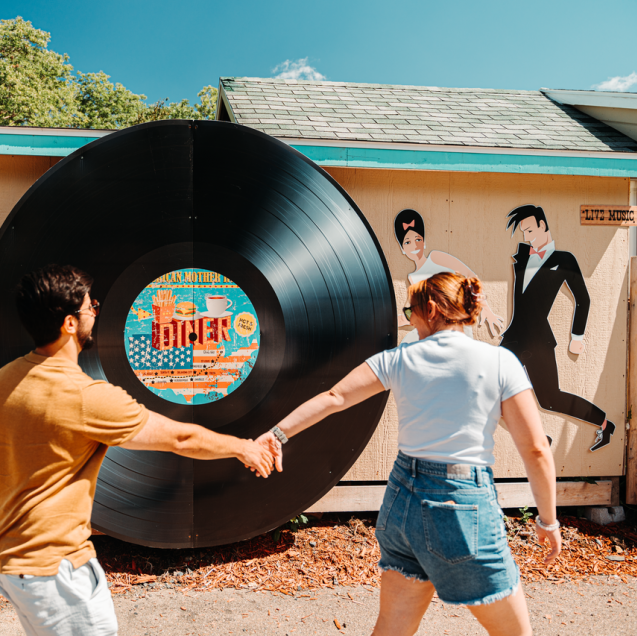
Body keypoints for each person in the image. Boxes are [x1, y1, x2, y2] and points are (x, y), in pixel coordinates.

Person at [256, 272, 561, 636]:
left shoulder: (399, 359)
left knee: (392, 628)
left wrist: (276, 434)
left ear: (429, 309)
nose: (408, 320)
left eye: (409, 311)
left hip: (402, 503)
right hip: (460, 505)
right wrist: (548, 521)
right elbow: (535, 449)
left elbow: (334, 398)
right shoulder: (499, 362)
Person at [0, 264, 276, 636]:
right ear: (69, 323)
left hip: (5, 560)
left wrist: (20, 529)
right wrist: (244, 448)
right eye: (90, 307)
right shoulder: (86, 397)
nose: (95, 313)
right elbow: (180, 439)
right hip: (55, 568)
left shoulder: (0, 383)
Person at [502, 204, 615, 452]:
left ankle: (604, 424)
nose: (527, 237)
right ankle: (539, 437)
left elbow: (583, 299)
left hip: (539, 341)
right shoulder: (523, 257)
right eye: (524, 232)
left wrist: (577, 336)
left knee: (550, 400)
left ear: (543, 225)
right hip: (513, 338)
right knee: (492, 388)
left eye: (530, 230)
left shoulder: (564, 260)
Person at [394, 209, 505, 343]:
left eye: (418, 239)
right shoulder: (413, 278)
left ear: (424, 242)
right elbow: (422, 311)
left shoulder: (435, 257)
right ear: (402, 249)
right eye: (407, 242)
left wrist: (485, 308)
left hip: (457, 321)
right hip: (435, 328)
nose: (415, 245)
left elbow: (470, 275)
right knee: (408, 343)